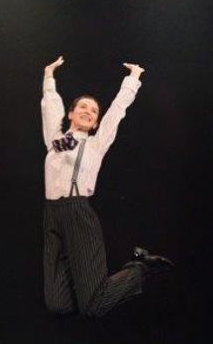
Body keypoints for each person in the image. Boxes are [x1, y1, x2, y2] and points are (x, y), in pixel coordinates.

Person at [40, 56, 172, 317]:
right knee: (57, 303)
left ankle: (140, 268)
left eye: (93, 111)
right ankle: (86, 284)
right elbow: (50, 109)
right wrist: (48, 77)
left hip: (79, 214)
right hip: (52, 216)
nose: (88, 111)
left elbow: (116, 112)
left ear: (96, 123)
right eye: (83, 107)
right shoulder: (56, 141)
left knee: (93, 305)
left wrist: (133, 79)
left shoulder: (96, 145)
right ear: (70, 114)